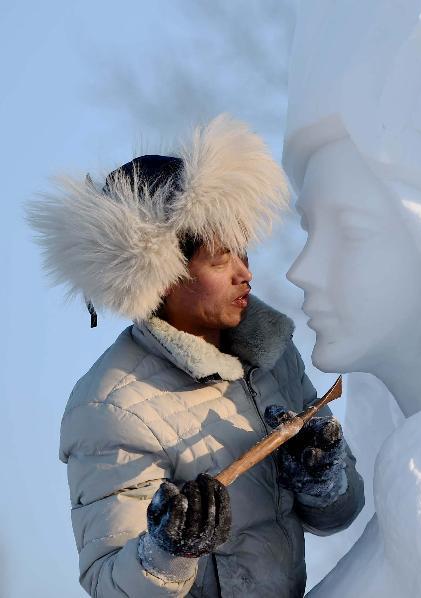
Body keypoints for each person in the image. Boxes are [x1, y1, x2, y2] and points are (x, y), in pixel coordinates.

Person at [26, 114, 364, 597]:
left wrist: (322, 481)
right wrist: (167, 551)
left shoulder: (273, 355)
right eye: (220, 257)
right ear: (162, 274)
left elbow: (341, 513)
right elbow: (107, 582)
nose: (244, 273)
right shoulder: (111, 406)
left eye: (244, 252)